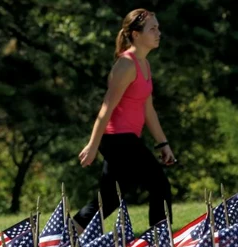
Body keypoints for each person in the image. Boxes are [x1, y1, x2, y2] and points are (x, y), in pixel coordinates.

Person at [74, 8, 175, 232]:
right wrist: (92, 146)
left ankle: (60, 241)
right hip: (117, 138)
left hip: (124, 139)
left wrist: (163, 143)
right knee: (159, 185)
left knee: (108, 201)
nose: (158, 33)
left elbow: (148, 109)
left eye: (158, 28)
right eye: (153, 29)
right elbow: (106, 108)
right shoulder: (126, 65)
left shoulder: (144, 65)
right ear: (136, 35)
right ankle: (159, 245)